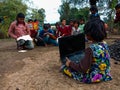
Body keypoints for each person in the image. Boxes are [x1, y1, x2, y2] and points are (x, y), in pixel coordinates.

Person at [60, 19, 112, 83]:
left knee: (65, 68)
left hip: (93, 77)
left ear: (89, 34)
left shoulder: (90, 49)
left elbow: (83, 69)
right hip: (105, 74)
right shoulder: (105, 44)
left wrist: (70, 63)